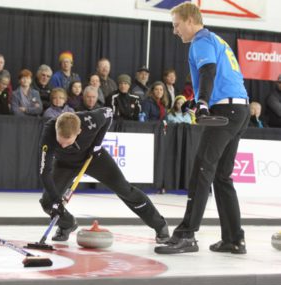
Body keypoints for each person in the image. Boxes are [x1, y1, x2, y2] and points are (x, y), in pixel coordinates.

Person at [155, 2, 250, 255]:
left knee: (202, 169)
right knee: (221, 176)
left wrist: (204, 102)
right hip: (240, 109)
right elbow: (217, 77)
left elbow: (208, 72)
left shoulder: (201, 40)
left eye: (176, 25)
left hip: (224, 110)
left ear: (189, 20)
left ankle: (186, 234)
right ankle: (234, 239)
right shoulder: (216, 40)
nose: (175, 31)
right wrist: (196, 101)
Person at [38, 107, 169, 242]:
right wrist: (56, 200)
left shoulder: (90, 120)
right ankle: (67, 224)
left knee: (125, 190)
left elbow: (108, 113)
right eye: (60, 141)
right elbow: (44, 171)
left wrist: (97, 144)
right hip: (65, 164)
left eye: (68, 141)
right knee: (48, 203)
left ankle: (160, 225)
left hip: (94, 159)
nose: (63, 145)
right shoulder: (49, 132)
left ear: (79, 132)